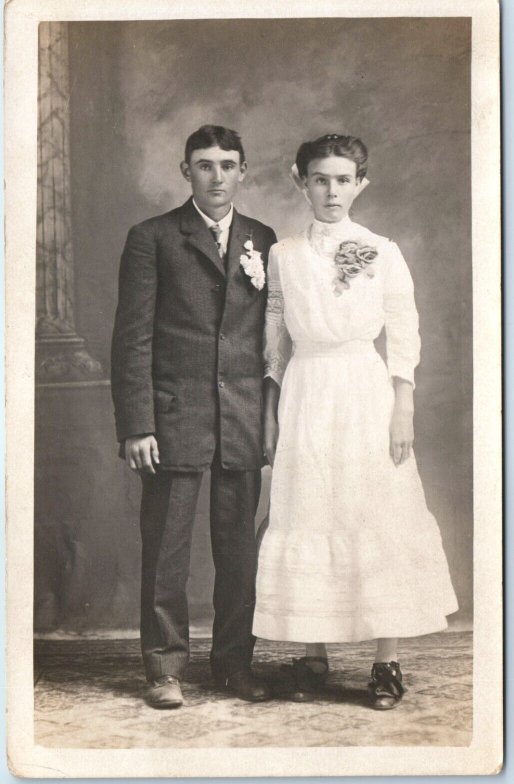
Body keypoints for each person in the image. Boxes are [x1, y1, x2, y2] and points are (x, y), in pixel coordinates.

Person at [254, 133, 458, 709]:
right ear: (301, 182)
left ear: (360, 184)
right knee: (309, 508)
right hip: (307, 390)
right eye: (321, 179)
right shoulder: (284, 254)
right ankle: (313, 654)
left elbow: (404, 327)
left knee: (376, 509)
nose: (332, 190)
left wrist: (404, 406)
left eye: (343, 179)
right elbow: (274, 331)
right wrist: (270, 409)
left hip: (364, 391)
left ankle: (385, 661)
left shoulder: (380, 249)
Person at [111, 125, 276, 708]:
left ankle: (233, 665)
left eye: (228, 165)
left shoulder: (262, 237)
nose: (216, 176)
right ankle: (163, 669)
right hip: (172, 417)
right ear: (186, 172)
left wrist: (271, 415)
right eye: (204, 165)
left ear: (243, 171)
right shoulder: (152, 238)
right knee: (166, 552)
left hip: (241, 417)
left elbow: (267, 336)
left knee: (238, 551)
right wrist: (137, 423)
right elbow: (131, 340)